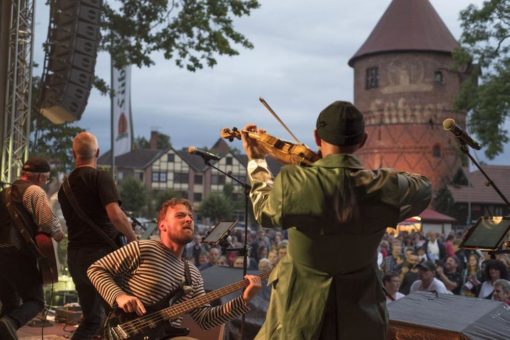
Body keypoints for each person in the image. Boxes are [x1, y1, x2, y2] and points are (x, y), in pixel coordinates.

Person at [241, 101, 432, 339]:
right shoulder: (385, 186)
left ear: (317, 138)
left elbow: (263, 211)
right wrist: (376, 182)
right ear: (363, 140)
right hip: (362, 313)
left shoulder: (294, 181)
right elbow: (424, 188)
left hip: (298, 312)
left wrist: (257, 160)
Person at [87, 198, 261, 339]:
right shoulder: (143, 248)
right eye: (180, 215)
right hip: (126, 331)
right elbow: (96, 270)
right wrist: (119, 296)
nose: (189, 219)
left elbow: (205, 319)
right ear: (162, 225)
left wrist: (244, 300)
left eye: (191, 217)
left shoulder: (193, 273)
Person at [58, 131, 137, 339]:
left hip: (76, 258)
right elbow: (116, 216)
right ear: (98, 153)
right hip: (103, 258)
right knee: (120, 316)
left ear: (73, 152)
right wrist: (133, 240)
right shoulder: (100, 178)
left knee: (93, 319)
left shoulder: (63, 188)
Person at [0, 157, 64, 339]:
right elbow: (47, 221)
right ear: (40, 177)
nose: (46, 183)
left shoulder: (4, 193)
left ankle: (6, 325)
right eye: (46, 179)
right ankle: (10, 323)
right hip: (18, 255)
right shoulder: (34, 191)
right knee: (35, 301)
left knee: (11, 303)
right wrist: (60, 235)